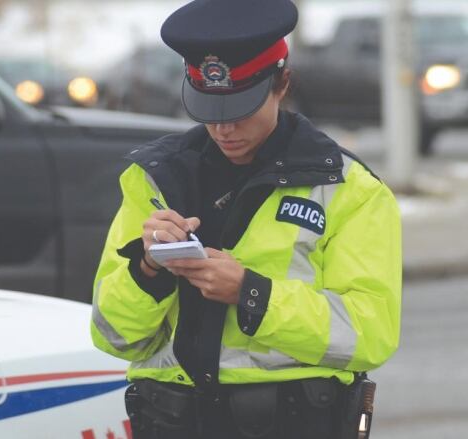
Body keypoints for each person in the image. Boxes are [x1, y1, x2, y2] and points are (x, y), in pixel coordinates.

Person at [90, 0, 401, 437]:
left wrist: (252, 294)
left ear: (283, 83)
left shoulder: (349, 189)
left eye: (240, 109)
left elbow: (371, 334)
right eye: (209, 109)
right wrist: (148, 270)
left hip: (290, 421)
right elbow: (114, 337)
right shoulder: (153, 178)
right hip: (175, 420)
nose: (224, 129)